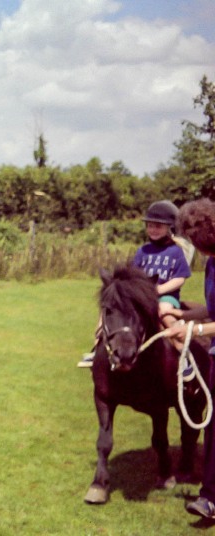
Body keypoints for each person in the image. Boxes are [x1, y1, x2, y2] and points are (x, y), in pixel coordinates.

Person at [78, 200, 193, 375]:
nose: (153, 230)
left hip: (165, 297)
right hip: (141, 297)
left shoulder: (175, 252)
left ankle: (184, 356)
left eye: (158, 227)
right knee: (110, 312)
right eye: (150, 226)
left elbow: (180, 278)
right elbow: (132, 275)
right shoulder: (143, 251)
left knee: (166, 315)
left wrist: (159, 290)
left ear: (169, 227)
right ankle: (96, 350)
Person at [161, 198, 215, 519]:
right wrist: (180, 313)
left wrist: (195, 331)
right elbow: (212, 307)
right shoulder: (211, 265)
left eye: (197, 241)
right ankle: (210, 498)